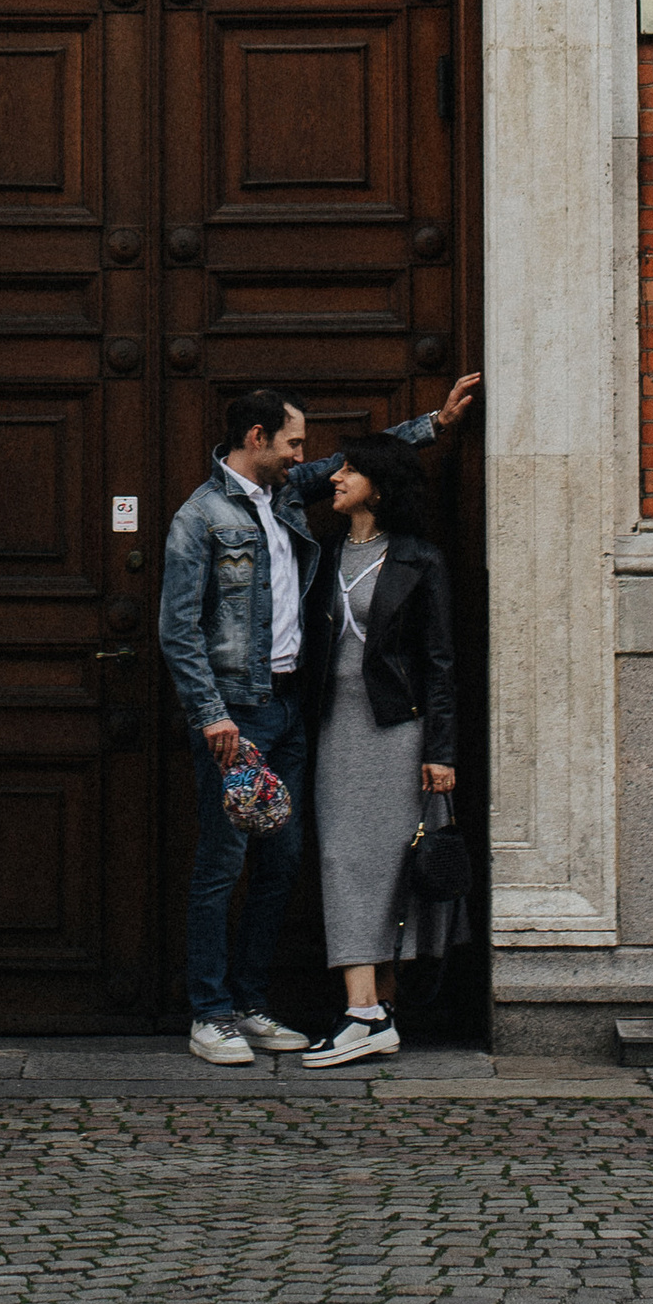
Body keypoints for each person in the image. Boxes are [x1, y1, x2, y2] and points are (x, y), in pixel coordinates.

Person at [157, 374, 479, 1067]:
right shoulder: (200, 517)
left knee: (284, 860)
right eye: (294, 442)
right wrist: (212, 715)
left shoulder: (281, 495)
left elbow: (361, 464)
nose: (310, 456)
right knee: (222, 861)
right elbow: (177, 629)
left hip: (290, 708)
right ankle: (210, 1012)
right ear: (257, 439)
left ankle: (249, 1001)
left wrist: (435, 424)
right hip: (236, 719)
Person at [297, 438, 461, 1069]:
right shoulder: (323, 552)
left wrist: (442, 751)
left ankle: (370, 1012)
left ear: (381, 486)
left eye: (351, 469)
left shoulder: (420, 559)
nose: (336, 478)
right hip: (336, 732)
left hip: (398, 735)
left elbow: (440, 663)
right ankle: (370, 1013)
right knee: (343, 862)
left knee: (389, 868)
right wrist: (433, 422)